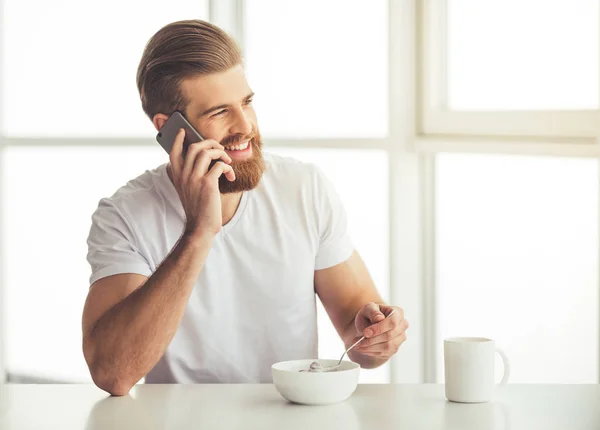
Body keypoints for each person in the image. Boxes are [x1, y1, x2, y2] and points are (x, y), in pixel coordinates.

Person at [82, 19, 409, 396]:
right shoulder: (124, 216)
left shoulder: (304, 188)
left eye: (247, 102)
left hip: (288, 418)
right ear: (171, 128)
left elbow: (360, 334)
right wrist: (199, 234)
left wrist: (377, 336)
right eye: (220, 112)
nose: (246, 125)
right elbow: (113, 373)